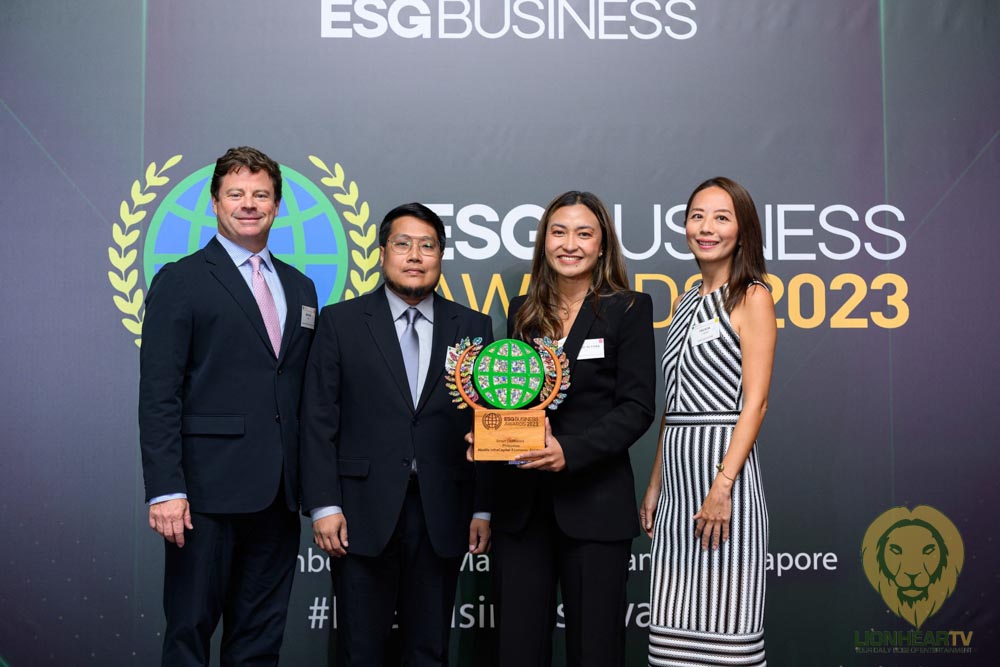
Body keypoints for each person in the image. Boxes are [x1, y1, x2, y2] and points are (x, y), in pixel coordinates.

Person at [138, 146, 318, 666]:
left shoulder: (301, 286)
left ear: (277, 205)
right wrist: (166, 489)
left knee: (260, 639)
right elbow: (159, 393)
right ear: (215, 203)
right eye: (236, 193)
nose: (249, 204)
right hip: (204, 496)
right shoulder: (182, 279)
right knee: (190, 632)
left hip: (279, 496)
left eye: (261, 194)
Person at [300, 203, 493, 667]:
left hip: (442, 509)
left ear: (440, 256)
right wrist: (324, 505)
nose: (415, 256)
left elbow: (486, 421)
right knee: (360, 650)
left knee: (428, 649)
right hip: (359, 510)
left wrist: (482, 507)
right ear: (383, 252)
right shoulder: (341, 322)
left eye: (428, 246)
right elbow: (318, 419)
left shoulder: (472, 327)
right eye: (403, 244)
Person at [486, 191, 656, 667]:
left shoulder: (629, 308)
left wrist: (571, 450)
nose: (570, 244)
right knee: (517, 650)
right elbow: (512, 396)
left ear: (602, 246)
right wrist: (490, 432)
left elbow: (637, 407)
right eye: (558, 232)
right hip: (522, 509)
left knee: (595, 650)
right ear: (544, 242)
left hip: (595, 504)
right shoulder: (522, 310)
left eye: (584, 234)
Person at [641, 177, 776, 666]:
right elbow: (674, 403)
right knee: (671, 646)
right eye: (697, 216)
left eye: (721, 217)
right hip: (677, 491)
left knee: (726, 640)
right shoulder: (684, 302)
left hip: (723, 484)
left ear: (742, 231)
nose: (706, 227)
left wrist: (722, 487)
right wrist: (655, 485)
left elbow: (756, 403)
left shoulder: (753, 296)